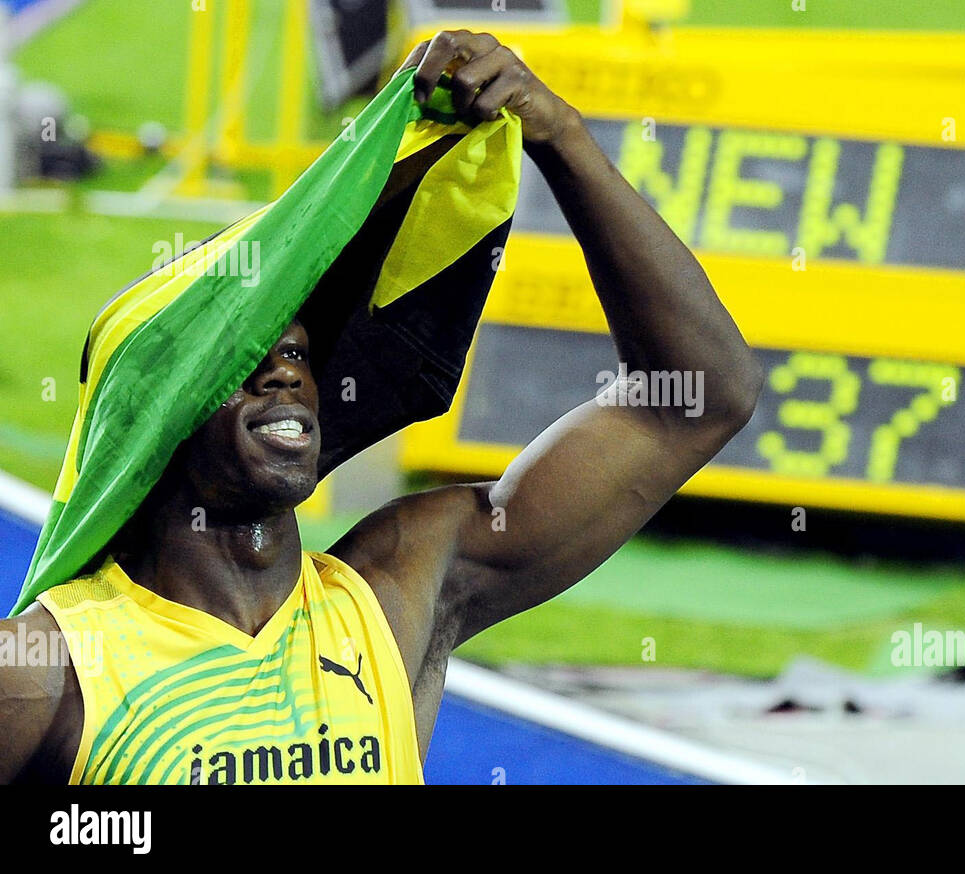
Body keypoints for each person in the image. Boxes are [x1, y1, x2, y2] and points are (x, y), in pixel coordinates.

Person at [0, 31, 762, 784]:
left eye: (296, 353)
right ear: (151, 419)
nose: (286, 379)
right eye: (239, 359)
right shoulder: (52, 667)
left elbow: (695, 401)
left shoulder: (397, 590)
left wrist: (559, 136)